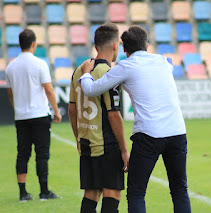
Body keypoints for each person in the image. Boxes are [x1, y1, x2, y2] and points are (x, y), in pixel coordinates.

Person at [79, 26, 191, 213]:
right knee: (180, 190)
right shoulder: (163, 61)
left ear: (123, 49)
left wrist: (85, 73)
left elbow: (91, 90)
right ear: (147, 45)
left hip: (149, 134)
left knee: (137, 192)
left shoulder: (125, 66)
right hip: (177, 131)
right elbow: (170, 63)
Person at [69, 23, 129, 213]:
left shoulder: (79, 71)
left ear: (96, 47)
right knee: (112, 193)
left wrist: (78, 137)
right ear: (115, 46)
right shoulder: (109, 74)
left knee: (92, 192)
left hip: (86, 141)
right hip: (106, 144)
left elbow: (72, 109)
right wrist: (124, 149)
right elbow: (113, 114)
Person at [5, 29, 62, 202]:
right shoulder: (40, 64)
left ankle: (23, 193)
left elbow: (10, 93)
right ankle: (44, 191)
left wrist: (18, 109)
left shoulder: (10, 67)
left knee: (22, 154)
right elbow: (49, 90)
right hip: (39, 114)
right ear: (34, 44)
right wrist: (56, 111)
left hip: (21, 116)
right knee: (42, 154)